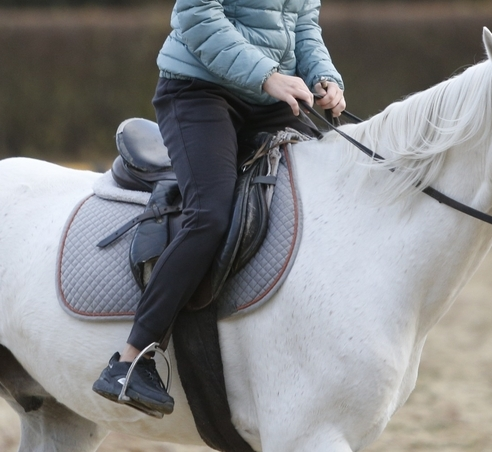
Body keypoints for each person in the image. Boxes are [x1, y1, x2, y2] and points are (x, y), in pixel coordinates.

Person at [92, 0, 345, 416]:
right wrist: (267, 76)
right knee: (210, 215)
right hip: (199, 92)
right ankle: (130, 361)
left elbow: (304, 25)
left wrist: (323, 78)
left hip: (269, 98)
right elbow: (196, 16)